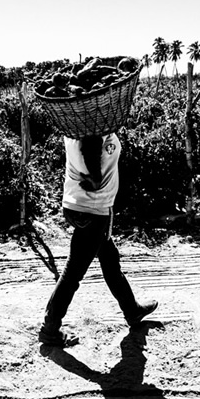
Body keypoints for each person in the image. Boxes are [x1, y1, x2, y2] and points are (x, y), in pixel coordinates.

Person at [39, 132, 159, 348]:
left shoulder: (72, 125)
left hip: (78, 204)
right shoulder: (92, 127)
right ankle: (50, 329)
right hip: (92, 210)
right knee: (73, 273)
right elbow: (91, 143)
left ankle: (132, 310)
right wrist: (95, 178)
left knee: (110, 259)